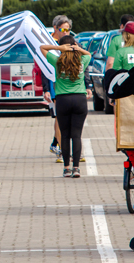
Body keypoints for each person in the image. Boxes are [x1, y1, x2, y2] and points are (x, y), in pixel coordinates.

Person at [40, 36, 92, 178]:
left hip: (63, 100)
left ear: (62, 48)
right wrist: (78, 48)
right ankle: (76, 168)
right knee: (77, 135)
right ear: (74, 45)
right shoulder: (81, 61)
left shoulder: (57, 61)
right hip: (80, 99)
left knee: (65, 135)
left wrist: (58, 48)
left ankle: (66, 168)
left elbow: (42, 48)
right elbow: (89, 54)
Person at [41, 15, 72, 163]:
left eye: (68, 29)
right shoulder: (50, 43)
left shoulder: (72, 42)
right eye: (63, 29)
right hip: (54, 84)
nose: (66, 32)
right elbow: (44, 66)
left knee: (68, 118)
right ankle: (61, 149)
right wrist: (46, 89)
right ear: (56, 29)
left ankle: (57, 144)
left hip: (69, 85)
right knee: (59, 118)